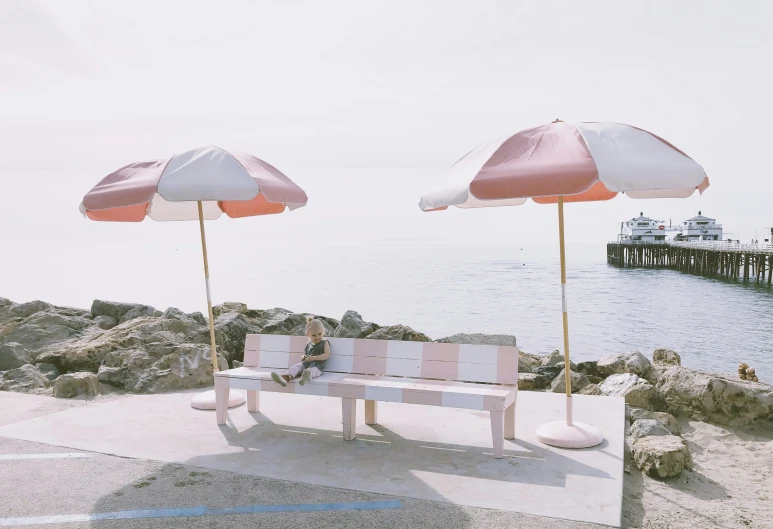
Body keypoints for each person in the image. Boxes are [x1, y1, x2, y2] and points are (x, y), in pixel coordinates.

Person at [271, 316, 330, 386]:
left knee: (312, 371)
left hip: (317, 367)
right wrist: (303, 357)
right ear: (308, 335)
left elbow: (327, 355)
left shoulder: (324, 343)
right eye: (314, 335)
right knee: (296, 367)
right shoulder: (309, 345)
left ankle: (305, 377)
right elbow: (305, 355)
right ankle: (286, 378)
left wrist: (314, 358)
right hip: (305, 365)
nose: (317, 337)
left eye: (319, 334)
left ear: (323, 331)